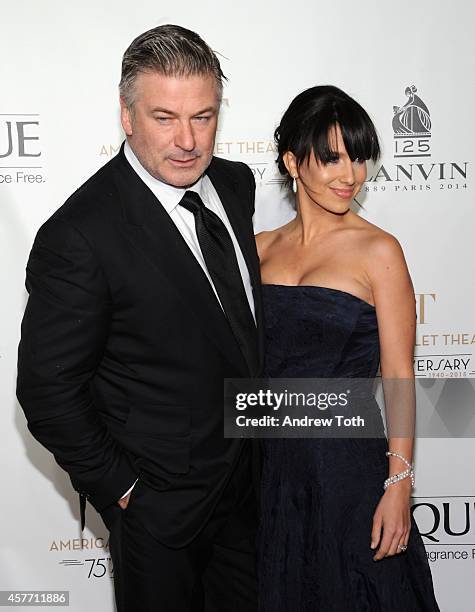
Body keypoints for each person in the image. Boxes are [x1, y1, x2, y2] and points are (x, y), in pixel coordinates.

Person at [17, 24, 263, 612]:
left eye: (203, 117)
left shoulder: (235, 184)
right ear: (126, 117)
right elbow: (47, 391)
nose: (187, 140)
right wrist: (125, 492)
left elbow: (231, 334)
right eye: (164, 118)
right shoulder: (79, 235)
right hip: (161, 512)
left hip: (253, 494)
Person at [255, 85, 440, 611]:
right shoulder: (259, 248)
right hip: (268, 468)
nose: (350, 175)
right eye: (332, 157)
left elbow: (398, 374)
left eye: (359, 157)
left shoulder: (379, 250)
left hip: (346, 470)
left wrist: (399, 483)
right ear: (293, 161)